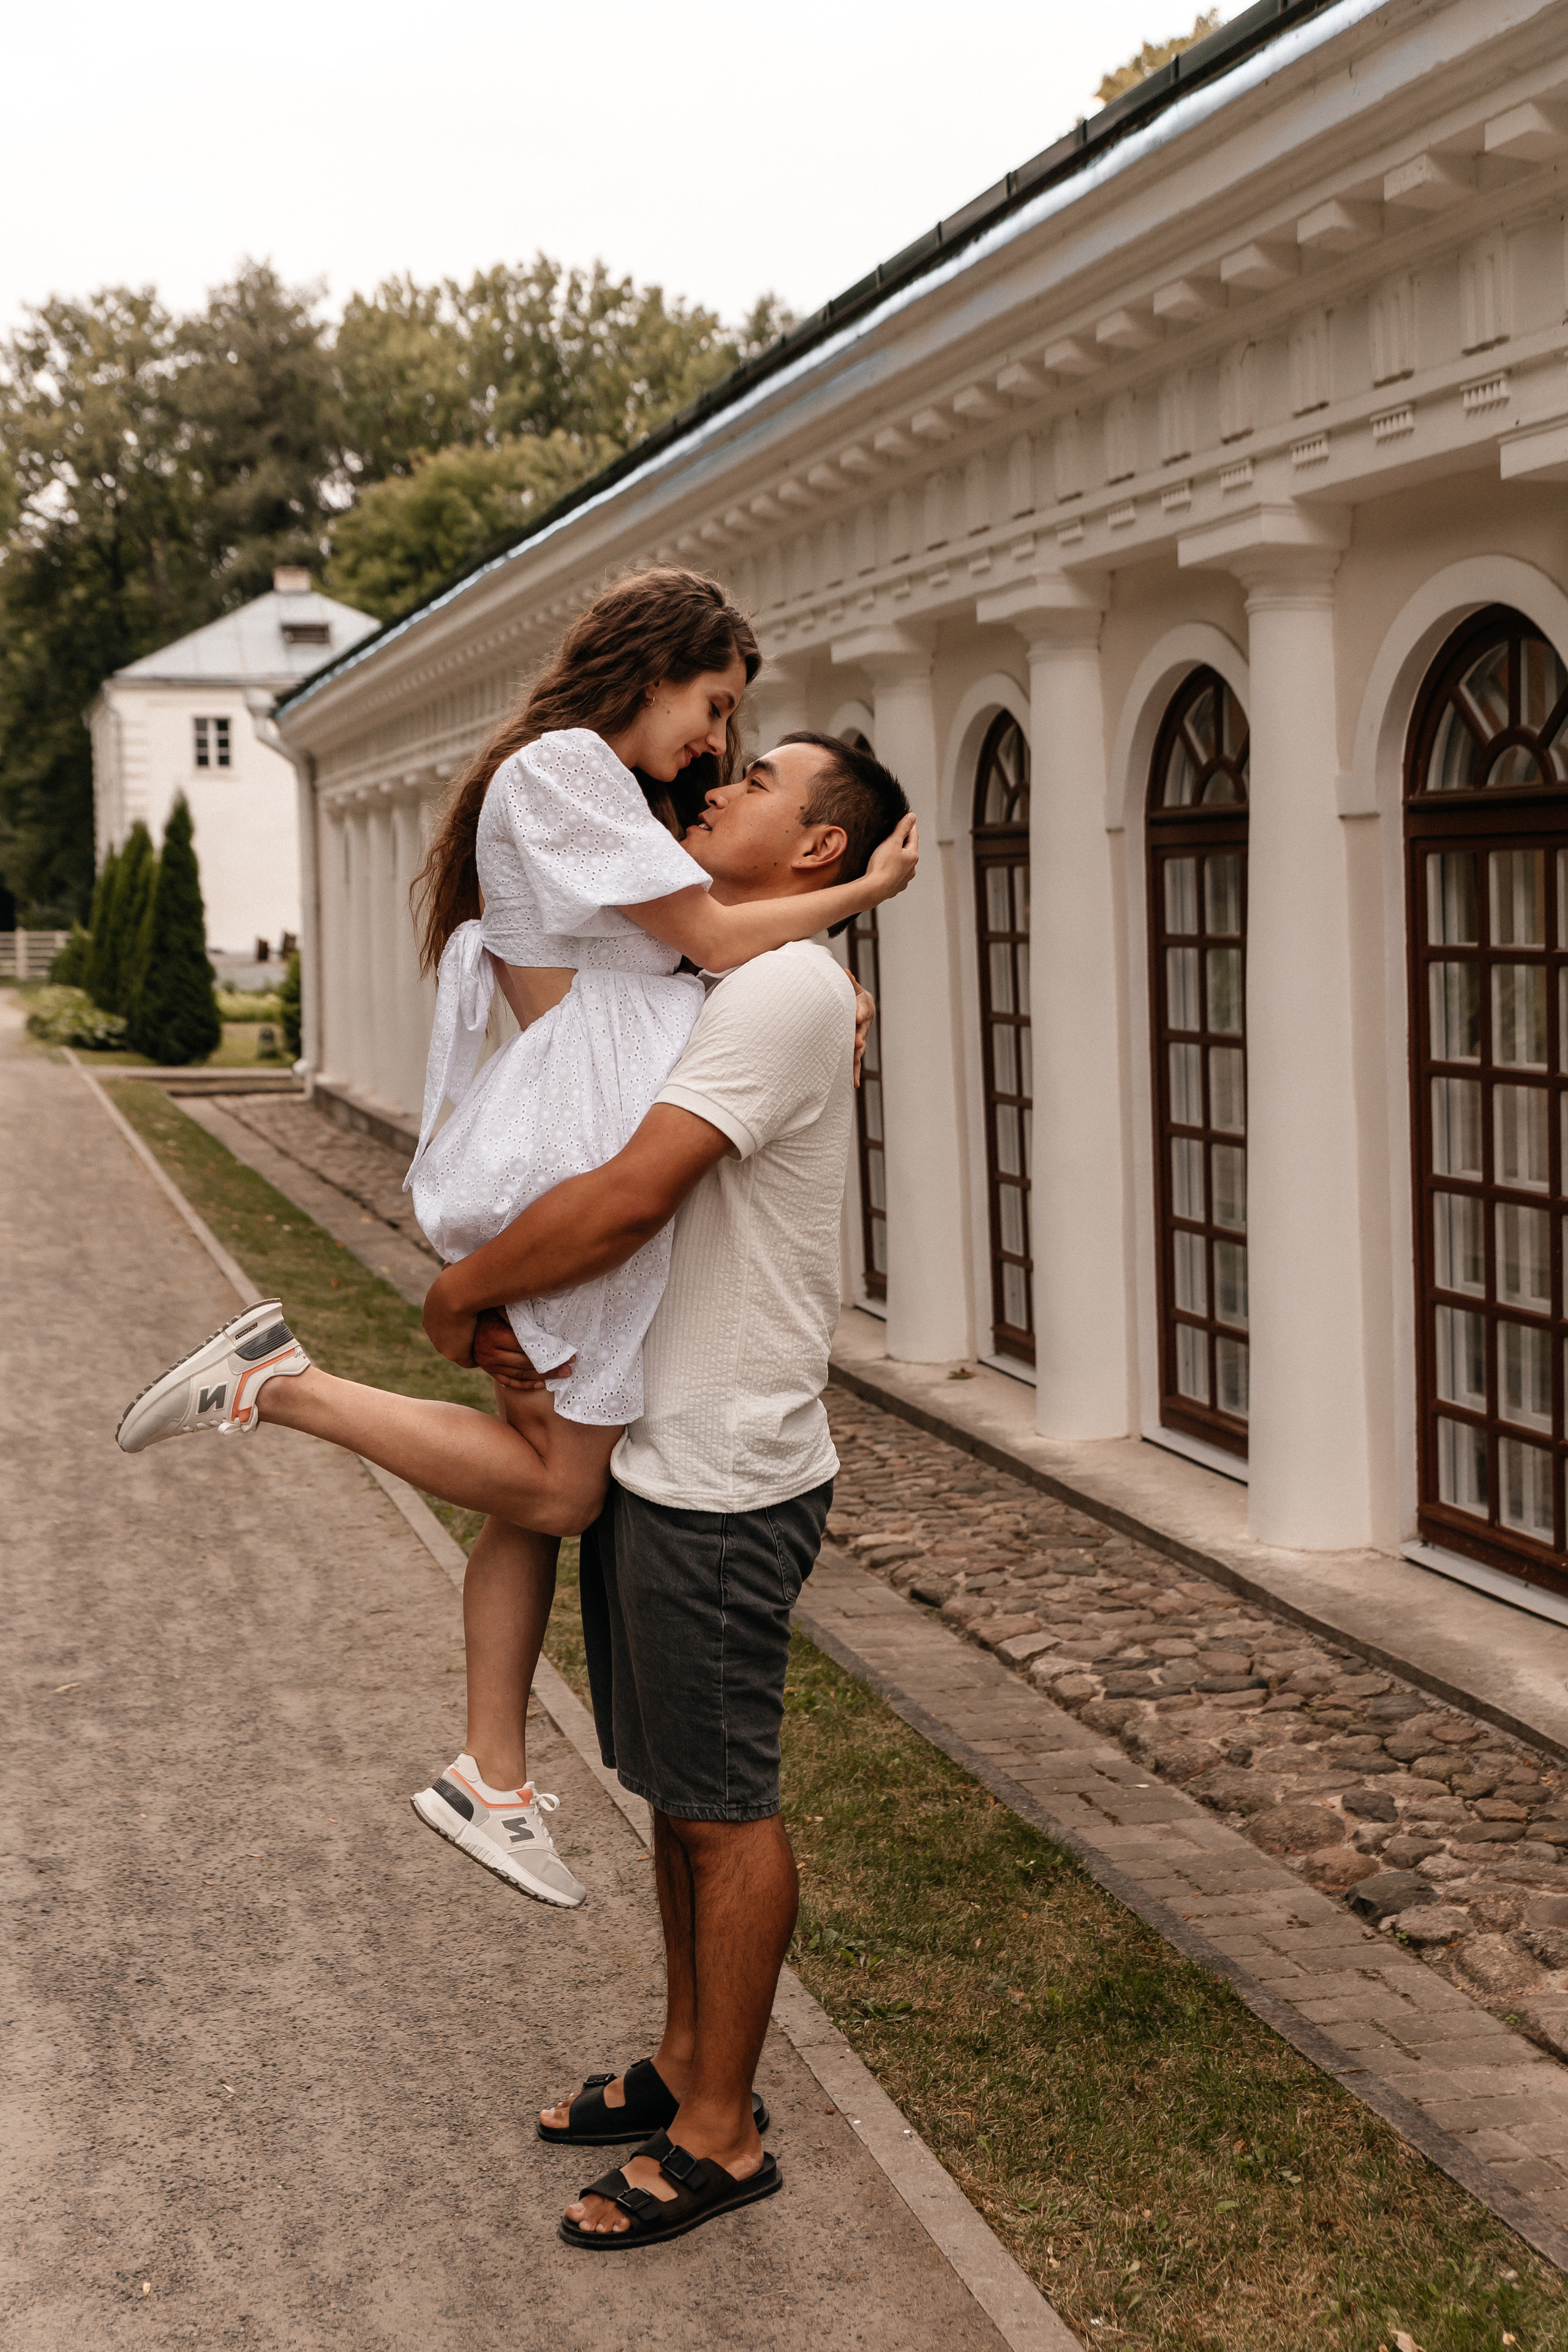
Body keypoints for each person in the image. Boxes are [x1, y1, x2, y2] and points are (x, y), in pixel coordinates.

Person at [115, 622, 915, 1911]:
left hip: (565, 1133)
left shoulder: (614, 807)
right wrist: (859, 903)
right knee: (558, 1489)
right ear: (652, 667)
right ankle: (283, 1385)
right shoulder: (564, 770)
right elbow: (710, 945)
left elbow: (709, 950)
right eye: (715, 706)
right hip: (574, 1154)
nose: (719, 747)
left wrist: (823, 987)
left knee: (531, 1491)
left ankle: (491, 1775)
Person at [410, 727, 909, 2246]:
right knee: (672, 1795)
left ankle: (723, 2133)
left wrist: (458, 1298)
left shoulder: (783, 990)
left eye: (757, 781)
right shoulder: (722, 976)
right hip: (653, 1447)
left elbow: (629, 1198)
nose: (716, 784)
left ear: (817, 848)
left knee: (722, 1807)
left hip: (719, 1471)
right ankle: (691, 2059)